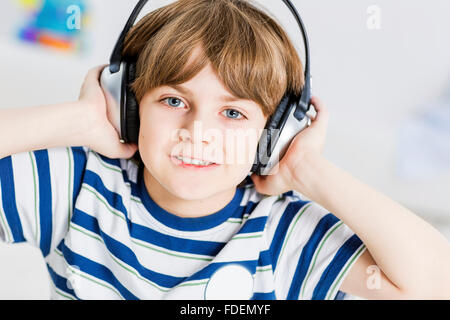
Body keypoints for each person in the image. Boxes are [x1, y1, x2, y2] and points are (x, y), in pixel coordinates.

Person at [0, 0, 449, 300]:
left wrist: (306, 168)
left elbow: (436, 284)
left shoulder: (284, 231)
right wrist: (77, 121)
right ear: (129, 107)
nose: (199, 131)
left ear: (274, 133)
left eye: (233, 114)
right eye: (174, 101)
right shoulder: (77, 186)